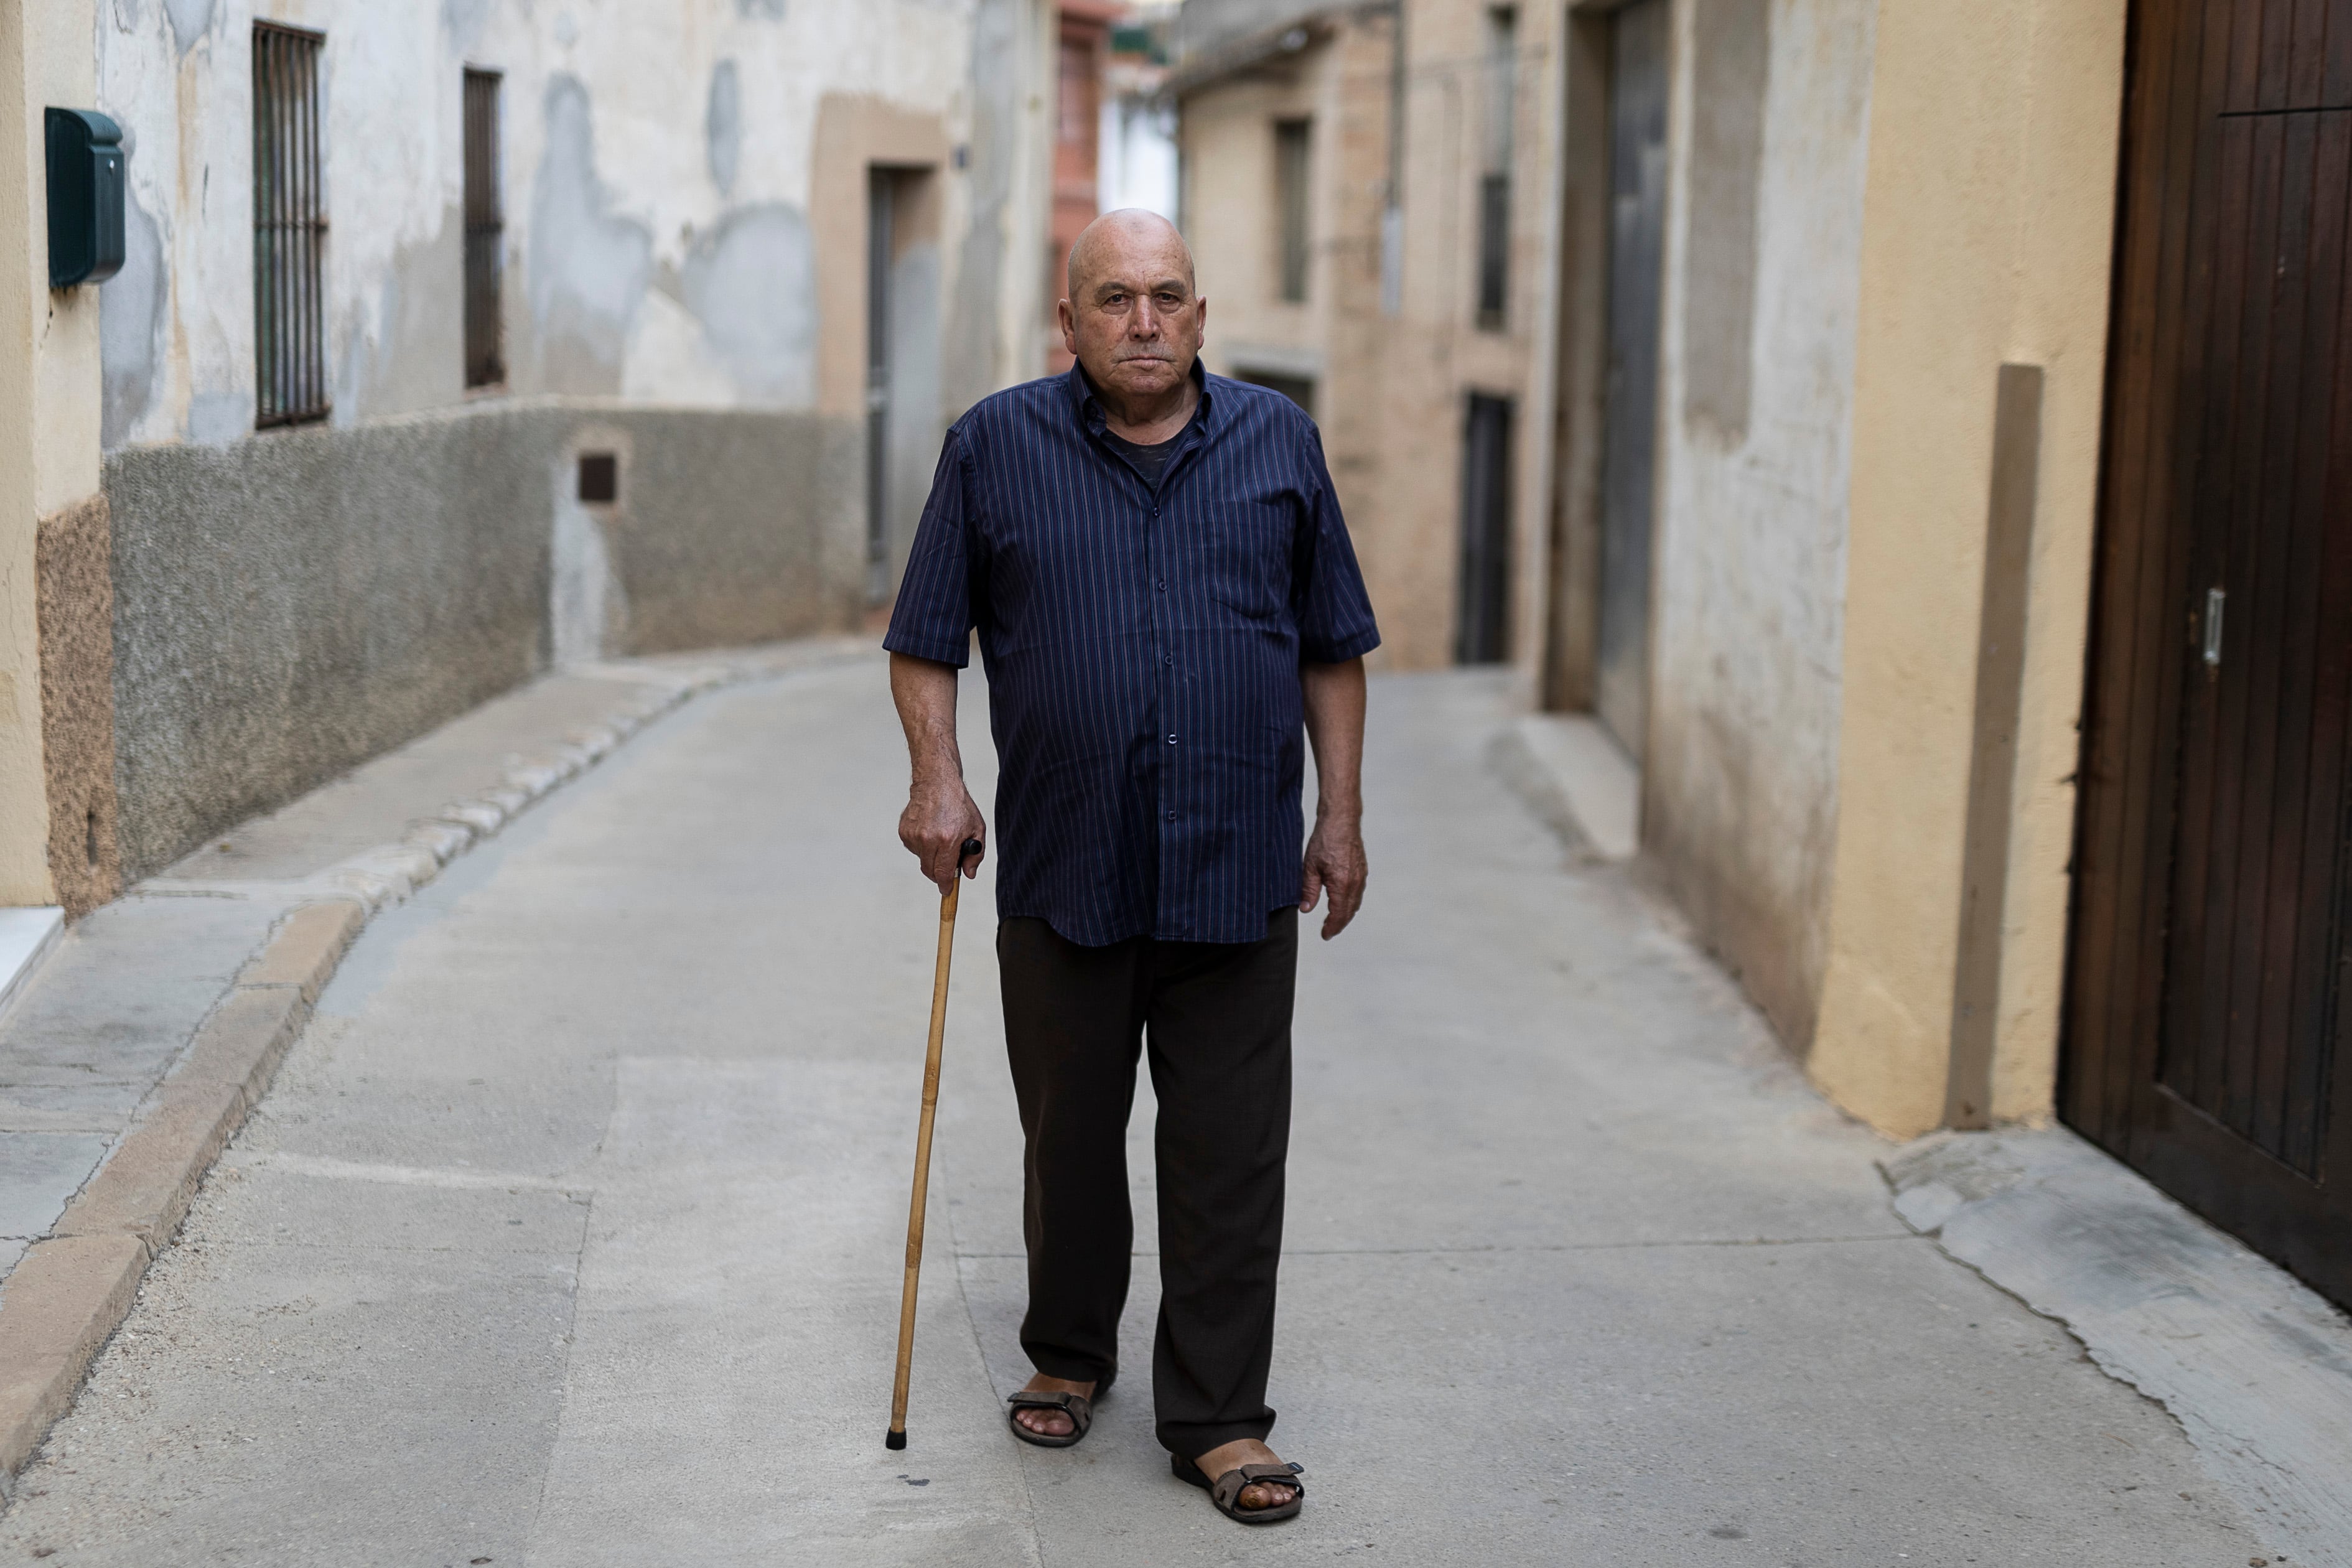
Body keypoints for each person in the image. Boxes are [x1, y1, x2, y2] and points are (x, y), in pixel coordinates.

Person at [884, 208, 1377, 1526]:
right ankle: (1070, 1349)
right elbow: (926, 636)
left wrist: (1340, 817)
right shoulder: (994, 447)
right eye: (1115, 298)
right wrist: (937, 778)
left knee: (1230, 1154)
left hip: (1236, 864)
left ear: (1201, 316)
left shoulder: (1280, 444)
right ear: (1070, 321)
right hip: (1067, 861)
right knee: (1070, 1138)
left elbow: (1332, 644)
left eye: (1166, 296)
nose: (1144, 321)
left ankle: (1219, 1417)